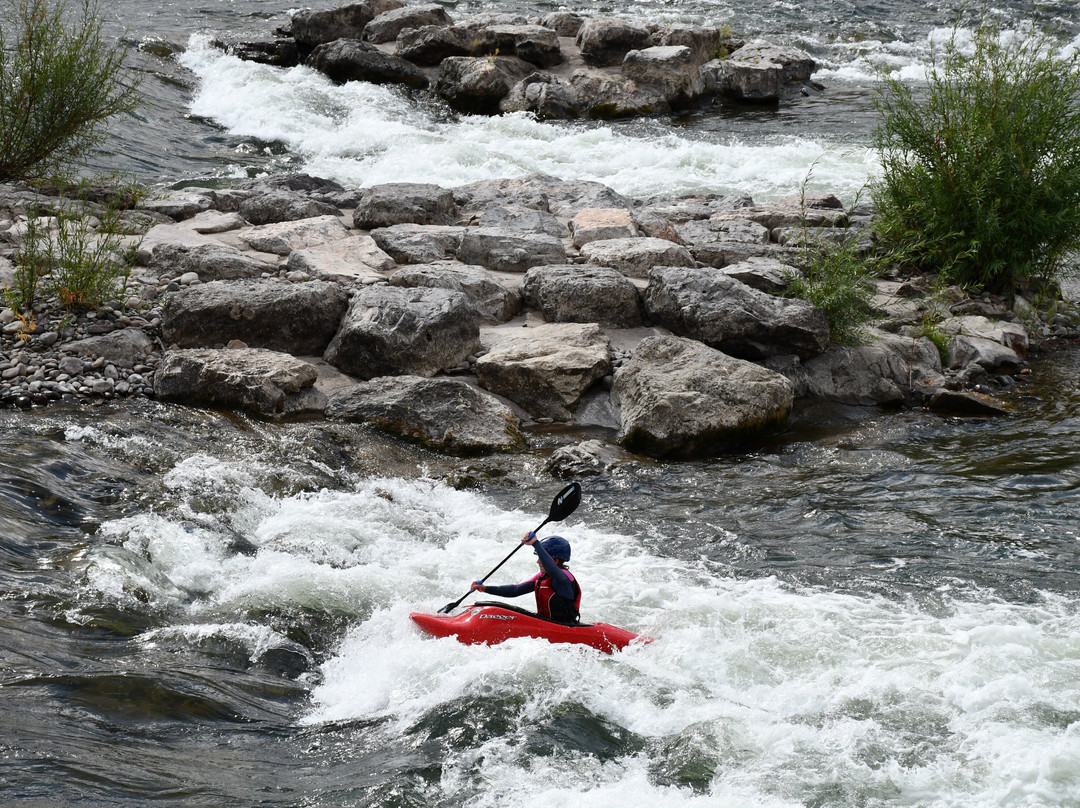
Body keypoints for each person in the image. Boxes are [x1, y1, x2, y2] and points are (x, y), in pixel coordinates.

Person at [470, 534, 581, 624]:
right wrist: (485, 588)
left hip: (565, 626)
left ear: (555, 561)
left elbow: (552, 568)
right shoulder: (543, 577)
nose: (538, 562)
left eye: (541, 558)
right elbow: (515, 590)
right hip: (547, 623)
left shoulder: (564, 578)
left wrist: (535, 543)